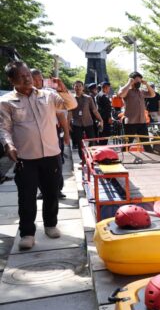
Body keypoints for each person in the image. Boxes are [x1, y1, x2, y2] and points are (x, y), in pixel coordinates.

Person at [0, 61, 76, 250]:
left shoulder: (49, 96)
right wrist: (8, 145)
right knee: (26, 197)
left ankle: (50, 225)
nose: (28, 79)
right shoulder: (6, 101)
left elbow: (71, 104)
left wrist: (64, 89)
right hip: (26, 158)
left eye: (29, 75)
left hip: (51, 154)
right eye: (22, 76)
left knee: (51, 193)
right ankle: (27, 233)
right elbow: (4, 128)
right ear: (12, 79)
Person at [30, 68, 67, 200]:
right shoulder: (24, 96)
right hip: (34, 137)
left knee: (57, 161)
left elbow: (62, 114)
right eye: (35, 78)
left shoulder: (50, 94)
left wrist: (66, 133)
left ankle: (57, 188)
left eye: (40, 78)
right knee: (38, 163)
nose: (38, 81)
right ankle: (43, 189)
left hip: (53, 132)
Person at [117, 71, 155, 150]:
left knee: (147, 144)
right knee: (127, 144)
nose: (139, 83)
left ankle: (151, 159)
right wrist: (129, 83)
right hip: (131, 122)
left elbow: (153, 94)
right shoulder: (127, 90)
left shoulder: (141, 91)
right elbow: (121, 94)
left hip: (142, 122)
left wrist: (146, 84)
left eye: (140, 81)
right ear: (132, 80)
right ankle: (123, 160)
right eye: (137, 81)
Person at [70, 80, 103, 158]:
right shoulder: (71, 98)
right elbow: (69, 112)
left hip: (88, 123)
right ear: (73, 87)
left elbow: (94, 110)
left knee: (92, 141)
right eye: (76, 86)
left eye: (80, 86)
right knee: (80, 143)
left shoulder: (88, 98)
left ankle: (91, 157)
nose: (78, 88)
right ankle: (83, 159)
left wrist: (100, 120)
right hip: (77, 124)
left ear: (83, 87)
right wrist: (68, 124)